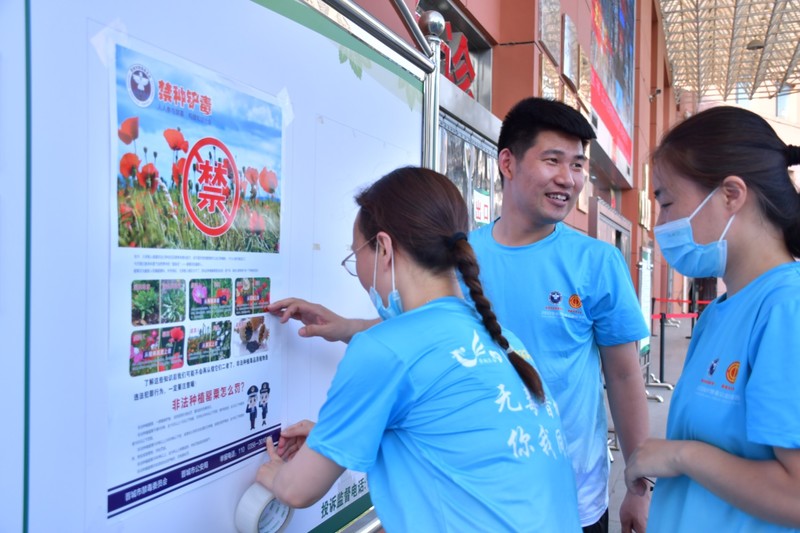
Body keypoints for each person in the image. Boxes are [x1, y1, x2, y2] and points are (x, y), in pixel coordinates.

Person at [270, 97, 652, 533]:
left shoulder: (596, 262)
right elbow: (435, 340)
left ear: (384, 248)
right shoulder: (464, 257)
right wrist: (345, 329)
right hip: (496, 492)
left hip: (577, 492)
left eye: (578, 165)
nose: (568, 178)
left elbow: (624, 377)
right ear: (507, 163)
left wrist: (638, 482)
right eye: (553, 160)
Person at [257, 167, 581, 531]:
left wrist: (275, 475)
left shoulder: (382, 350)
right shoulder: (501, 337)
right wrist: (335, 437)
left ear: (383, 248)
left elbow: (297, 489)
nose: (358, 269)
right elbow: (456, 441)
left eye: (355, 254)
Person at [624, 106, 800, 531]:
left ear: (731, 194)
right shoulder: (720, 311)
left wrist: (681, 455)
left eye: (666, 202)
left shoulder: (787, 309)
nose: (660, 225)